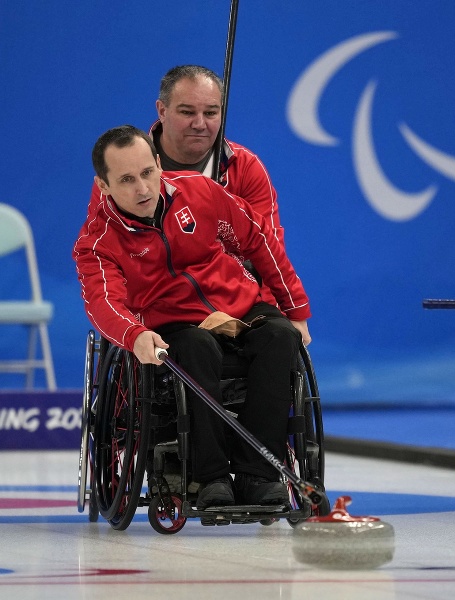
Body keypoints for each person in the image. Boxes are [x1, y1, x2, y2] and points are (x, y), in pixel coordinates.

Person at [74, 125, 311, 510]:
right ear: (104, 186)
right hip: (174, 324)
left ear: (157, 163)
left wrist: (296, 310)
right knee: (197, 347)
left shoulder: (200, 191)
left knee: (281, 337)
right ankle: (210, 476)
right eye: (127, 180)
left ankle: (260, 474)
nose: (143, 189)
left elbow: (258, 239)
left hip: (239, 304)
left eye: (148, 173)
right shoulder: (97, 244)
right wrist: (133, 334)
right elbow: (102, 303)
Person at [83, 65, 284, 306]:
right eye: (187, 112)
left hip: (237, 305)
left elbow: (268, 255)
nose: (200, 124)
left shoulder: (246, 168)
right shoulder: (120, 172)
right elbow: (108, 262)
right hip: (159, 312)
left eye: (211, 113)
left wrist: (272, 317)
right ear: (162, 110)